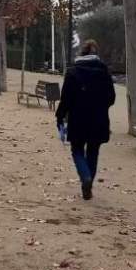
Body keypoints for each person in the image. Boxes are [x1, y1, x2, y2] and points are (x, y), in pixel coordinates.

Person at [56, 39, 116, 200]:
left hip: (78, 119)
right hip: (99, 119)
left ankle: (85, 177)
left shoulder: (73, 72)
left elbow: (65, 99)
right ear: (96, 54)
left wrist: (60, 116)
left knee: (76, 150)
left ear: (81, 53)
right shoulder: (104, 72)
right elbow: (111, 98)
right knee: (93, 151)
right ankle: (88, 181)